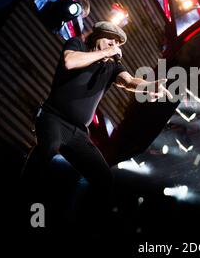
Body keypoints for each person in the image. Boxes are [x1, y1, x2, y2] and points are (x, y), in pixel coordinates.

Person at [21, 21, 171, 227]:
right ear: (98, 36)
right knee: (47, 149)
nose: (114, 44)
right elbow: (69, 62)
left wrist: (149, 86)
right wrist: (104, 54)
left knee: (104, 178)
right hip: (53, 117)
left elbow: (128, 81)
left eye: (118, 43)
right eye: (111, 39)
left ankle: (81, 225)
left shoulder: (111, 66)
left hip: (78, 133)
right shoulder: (78, 45)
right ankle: (25, 202)